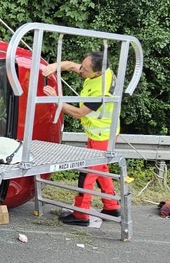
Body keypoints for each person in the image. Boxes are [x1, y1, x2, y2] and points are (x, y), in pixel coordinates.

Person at [41, 52, 120, 226]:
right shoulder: (99, 70)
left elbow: (78, 113)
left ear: (97, 73)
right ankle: (112, 206)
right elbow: (71, 65)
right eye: (82, 66)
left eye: (85, 69)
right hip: (99, 133)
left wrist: (56, 100)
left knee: (87, 175)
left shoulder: (102, 91)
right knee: (101, 169)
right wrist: (55, 66)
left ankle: (81, 214)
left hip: (103, 135)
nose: (81, 70)